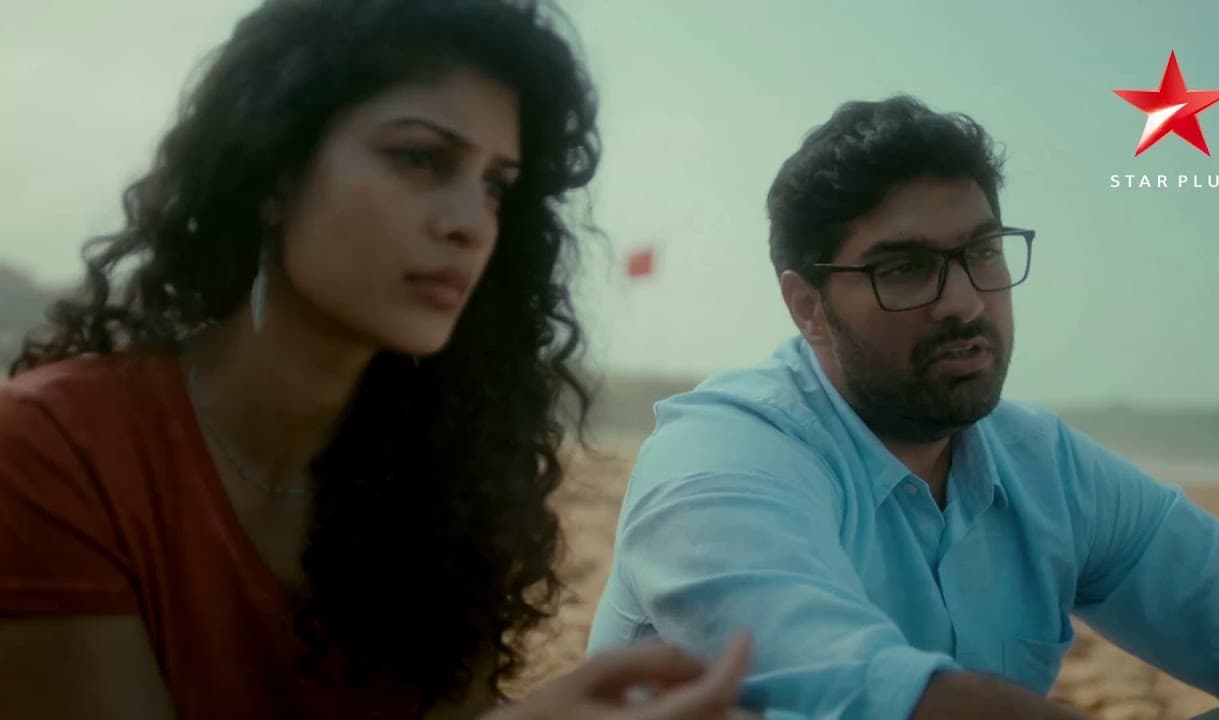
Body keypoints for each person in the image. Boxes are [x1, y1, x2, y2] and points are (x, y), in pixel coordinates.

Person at [0, 1, 756, 718]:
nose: (470, 223)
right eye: (419, 158)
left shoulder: (440, 479)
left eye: (496, 187)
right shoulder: (54, 452)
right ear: (275, 170)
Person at [587, 95, 1219, 719]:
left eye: (983, 252)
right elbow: (853, 694)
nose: (965, 302)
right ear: (808, 307)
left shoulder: (1043, 467)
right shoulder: (719, 457)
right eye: (904, 269)